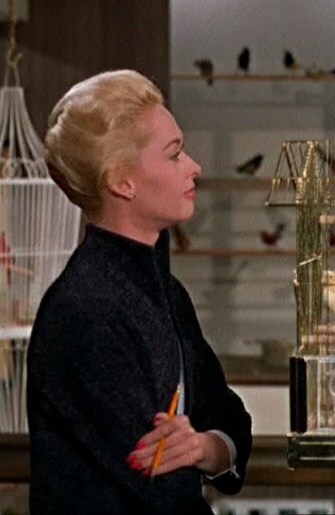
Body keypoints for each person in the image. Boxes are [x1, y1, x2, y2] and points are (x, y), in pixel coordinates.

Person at [27, 70, 253, 514]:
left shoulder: (169, 294)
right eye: (174, 154)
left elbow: (232, 423)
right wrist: (198, 450)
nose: (194, 166)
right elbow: (162, 487)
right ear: (121, 182)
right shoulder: (83, 310)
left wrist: (203, 446)